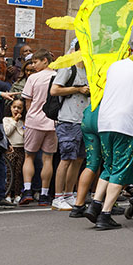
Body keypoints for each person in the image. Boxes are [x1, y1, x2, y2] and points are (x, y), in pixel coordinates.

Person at [84, 29, 133, 230]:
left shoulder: (115, 66)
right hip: (124, 122)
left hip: (105, 120)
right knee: (120, 167)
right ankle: (105, 214)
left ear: (128, 47)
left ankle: (95, 204)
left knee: (109, 164)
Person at [49, 47, 90, 211]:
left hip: (84, 120)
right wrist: (78, 89)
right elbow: (54, 90)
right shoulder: (68, 67)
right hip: (68, 119)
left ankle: (69, 193)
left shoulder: (89, 69)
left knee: (78, 159)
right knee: (66, 158)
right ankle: (58, 197)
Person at [20, 50, 57, 205]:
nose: (33, 65)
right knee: (48, 158)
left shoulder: (33, 78)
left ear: (45, 61)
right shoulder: (58, 76)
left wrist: (32, 115)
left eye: (36, 62)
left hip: (34, 121)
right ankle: (44, 193)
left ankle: (27, 190)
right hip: (53, 122)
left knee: (29, 156)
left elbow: (28, 102)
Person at [2, 96, 25, 205]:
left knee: (18, 172)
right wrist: (14, 121)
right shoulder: (6, 120)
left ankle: (17, 194)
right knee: (8, 173)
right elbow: (7, 132)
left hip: (21, 149)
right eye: (14, 107)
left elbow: (24, 134)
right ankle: (7, 195)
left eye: (19, 108)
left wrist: (21, 124)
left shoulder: (23, 122)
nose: (16, 109)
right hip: (10, 149)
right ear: (10, 107)